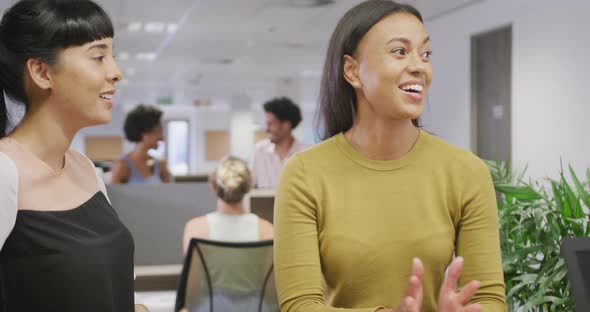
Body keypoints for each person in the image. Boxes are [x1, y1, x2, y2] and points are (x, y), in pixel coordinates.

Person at [274, 1, 506, 312]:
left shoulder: (466, 172)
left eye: (424, 54)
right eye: (400, 52)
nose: (419, 66)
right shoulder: (304, 173)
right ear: (353, 71)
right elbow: (299, 306)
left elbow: (489, 300)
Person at [0, 0, 145, 311]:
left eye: (113, 56)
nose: (116, 72)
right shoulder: (4, 171)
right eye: (98, 57)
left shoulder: (84, 168)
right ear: (41, 72)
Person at [183, 156, 273, 255]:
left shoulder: (195, 230)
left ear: (213, 186)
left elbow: (194, 270)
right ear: (248, 187)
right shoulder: (267, 231)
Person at [251, 97, 309, 189]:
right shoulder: (259, 150)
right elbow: (251, 185)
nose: (267, 129)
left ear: (286, 125)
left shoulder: (306, 153)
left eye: (271, 124)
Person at [110, 104, 171, 184]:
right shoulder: (122, 165)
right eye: (158, 131)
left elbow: (170, 194)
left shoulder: (161, 165)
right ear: (144, 133)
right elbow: (111, 195)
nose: (162, 137)